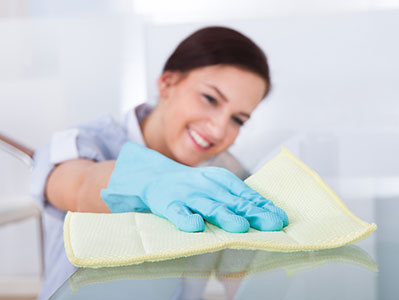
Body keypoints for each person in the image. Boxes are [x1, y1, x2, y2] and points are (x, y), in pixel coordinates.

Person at [31, 26, 288, 300]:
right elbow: (79, 185)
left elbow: (240, 280)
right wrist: (149, 184)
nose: (218, 130)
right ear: (167, 83)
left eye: (238, 120)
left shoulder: (226, 177)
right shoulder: (86, 142)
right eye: (210, 99)